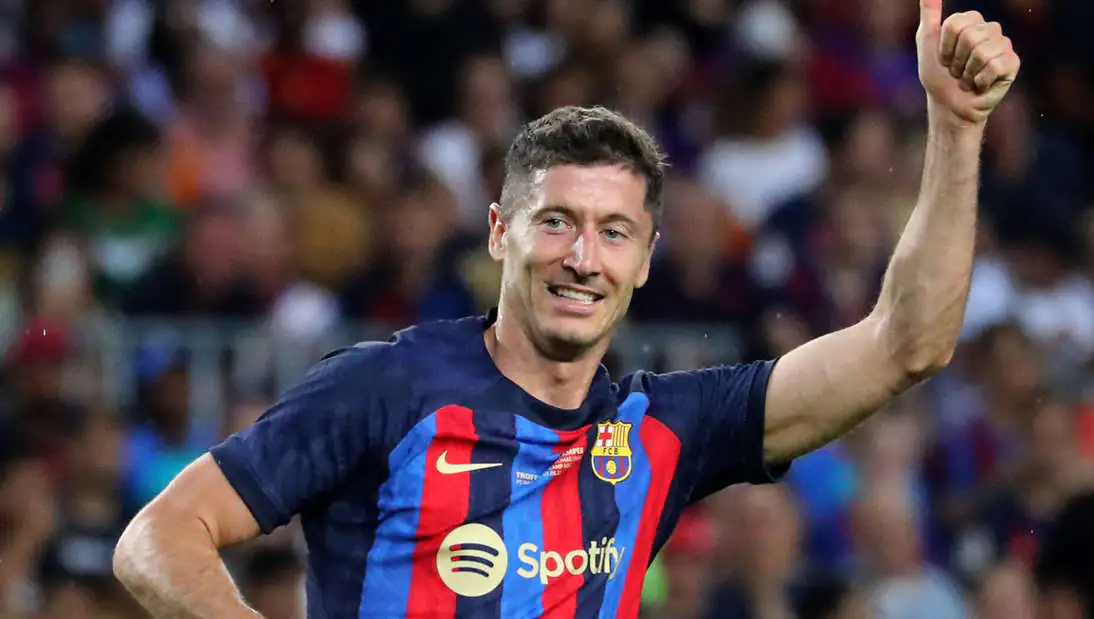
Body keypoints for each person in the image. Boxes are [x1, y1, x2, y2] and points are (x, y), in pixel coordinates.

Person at [111, 2, 1021, 617]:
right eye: (557, 222)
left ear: (647, 259)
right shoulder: (386, 386)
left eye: (614, 232)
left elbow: (907, 344)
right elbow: (159, 536)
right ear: (499, 232)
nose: (583, 257)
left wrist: (955, 130)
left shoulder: (667, 430)